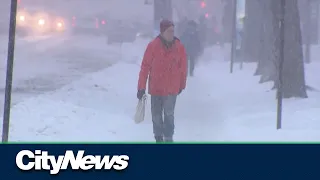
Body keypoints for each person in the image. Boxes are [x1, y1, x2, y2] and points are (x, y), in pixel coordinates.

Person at [137, 19, 187, 143]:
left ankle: (169, 138)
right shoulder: (153, 46)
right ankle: (158, 138)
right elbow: (145, 67)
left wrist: (182, 84)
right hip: (156, 88)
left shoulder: (179, 47)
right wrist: (141, 87)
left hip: (172, 88)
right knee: (156, 116)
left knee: (169, 115)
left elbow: (183, 67)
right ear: (162, 32)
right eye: (169, 31)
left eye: (173, 31)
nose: (171, 34)